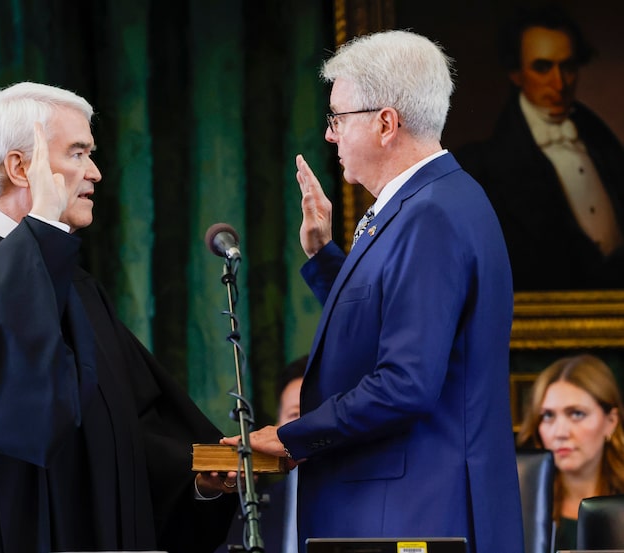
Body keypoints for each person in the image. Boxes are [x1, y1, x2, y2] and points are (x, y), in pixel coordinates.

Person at [0, 81, 238, 553]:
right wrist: (43, 227)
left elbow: (124, 427)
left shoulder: (73, 283)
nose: (95, 172)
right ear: (20, 168)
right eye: (78, 153)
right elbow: (4, 405)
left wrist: (198, 475)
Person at [222, 30, 523, 552]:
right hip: (412, 508)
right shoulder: (434, 201)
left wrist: (292, 436)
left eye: (338, 118)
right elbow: (396, 320)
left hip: (414, 516)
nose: (331, 135)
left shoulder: (430, 214)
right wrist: (323, 257)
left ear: (386, 123)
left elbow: (406, 381)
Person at [455, 3, 624, 290]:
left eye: (568, 67)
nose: (559, 83)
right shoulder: (483, 165)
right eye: (543, 68)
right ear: (516, 73)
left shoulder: (603, 142)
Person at [516, 353, 624, 551]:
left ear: (611, 422)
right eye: (548, 416)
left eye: (576, 414)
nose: (560, 433)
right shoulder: (520, 505)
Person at [216, 356, 306, 553]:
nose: (304, 428)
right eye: (294, 415)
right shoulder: (252, 507)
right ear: (276, 426)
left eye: (314, 416)